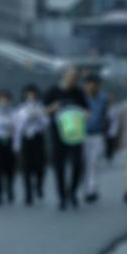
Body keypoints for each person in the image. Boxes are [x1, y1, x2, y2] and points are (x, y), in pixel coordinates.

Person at [44, 66, 89, 210]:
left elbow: (87, 110)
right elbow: (43, 111)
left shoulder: (79, 92)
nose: (73, 80)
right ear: (63, 76)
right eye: (71, 77)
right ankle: (62, 197)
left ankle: (73, 191)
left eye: (76, 78)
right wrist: (54, 108)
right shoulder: (52, 92)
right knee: (59, 166)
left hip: (76, 134)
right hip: (58, 134)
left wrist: (85, 115)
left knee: (77, 163)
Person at [13, 84, 49, 206]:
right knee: (26, 168)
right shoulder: (20, 110)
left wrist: (38, 116)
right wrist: (16, 145)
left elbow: (46, 124)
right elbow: (18, 128)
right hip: (26, 140)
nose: (31, 97)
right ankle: (28, 194)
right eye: (28, 94)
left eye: (33, 94)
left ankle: (39, 186)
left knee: (40, 166)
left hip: (38, 139)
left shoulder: (41, 107)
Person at [82, 74, 109, 203]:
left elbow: (105, 115)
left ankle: (92, 189)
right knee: (86, 163)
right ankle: (89, 189)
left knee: (94, 163)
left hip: (97, 134)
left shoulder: (103, 99)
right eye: (89, 85)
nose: (92, 87)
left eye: (95, 85)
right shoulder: (81, 98)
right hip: (83, 135)